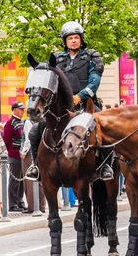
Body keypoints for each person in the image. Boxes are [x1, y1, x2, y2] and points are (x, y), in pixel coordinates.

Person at [25, 21, 114, 181]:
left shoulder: (92, 57)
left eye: (76, 37)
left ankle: (105, 165)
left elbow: (94, 81)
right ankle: (36, 166)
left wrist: (80, 96)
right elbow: (51, 81)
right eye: (70, 38)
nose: (73, 40)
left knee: (106, 128)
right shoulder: (57, 59)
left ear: (81, 39)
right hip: (62, 107)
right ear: (65, 41)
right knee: (35, 131)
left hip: (86, 105)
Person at [2, 101, 27, 212]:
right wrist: (11, 153)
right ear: (15, 110)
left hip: (22, 155)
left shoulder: (21, 122)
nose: (23, 111)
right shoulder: (10, 122)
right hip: (14, 155)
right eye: (21, 109)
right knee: (14, 180)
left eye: (23, 109)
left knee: (21, 180)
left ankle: (20, 201)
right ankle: (12, 204)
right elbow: (6, 140)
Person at [20, 117, 46, 213]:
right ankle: (41, 206)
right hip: (42, 153)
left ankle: (32, 206)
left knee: (29, 180)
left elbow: (28, 139)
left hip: (30, 154)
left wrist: (24, 151)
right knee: (40, 181)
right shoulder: (44, 120)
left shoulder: (28, 122)